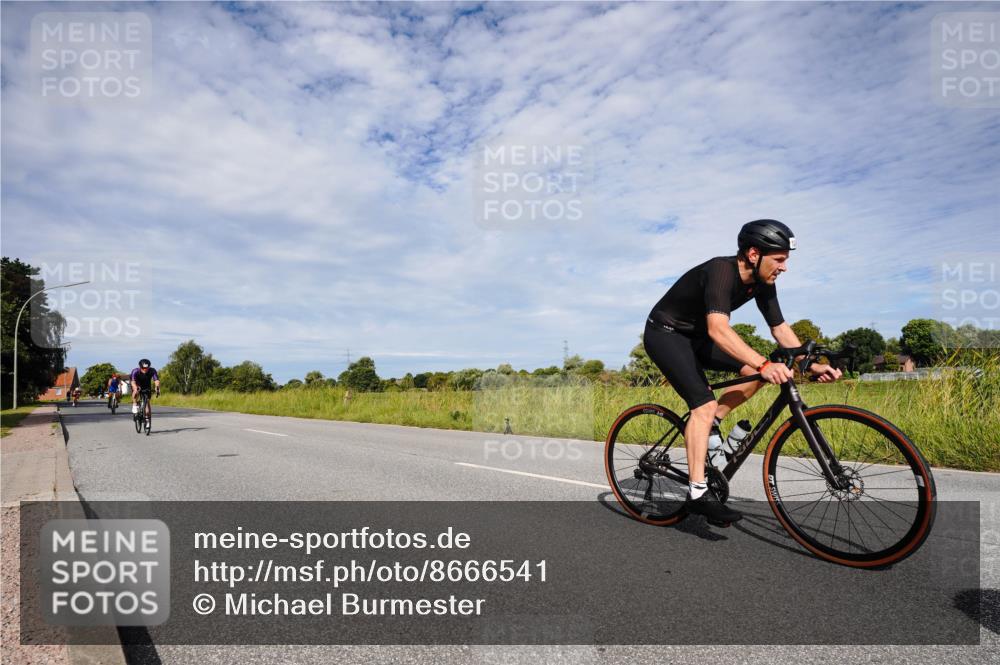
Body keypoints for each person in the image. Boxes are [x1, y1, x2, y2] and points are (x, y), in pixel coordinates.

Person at [644, 220, 842, 526]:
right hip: (666, 333)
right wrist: (766, 364)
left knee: (754, 373)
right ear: (753, 254)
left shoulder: (764, 284)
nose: (784, 267)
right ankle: (697, 494)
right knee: (704, 404)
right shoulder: (721, 271)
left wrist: (810, 364)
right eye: (779, 260)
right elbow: (719, 329)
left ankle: (713, 424)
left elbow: (779, 328)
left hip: (698, 338)